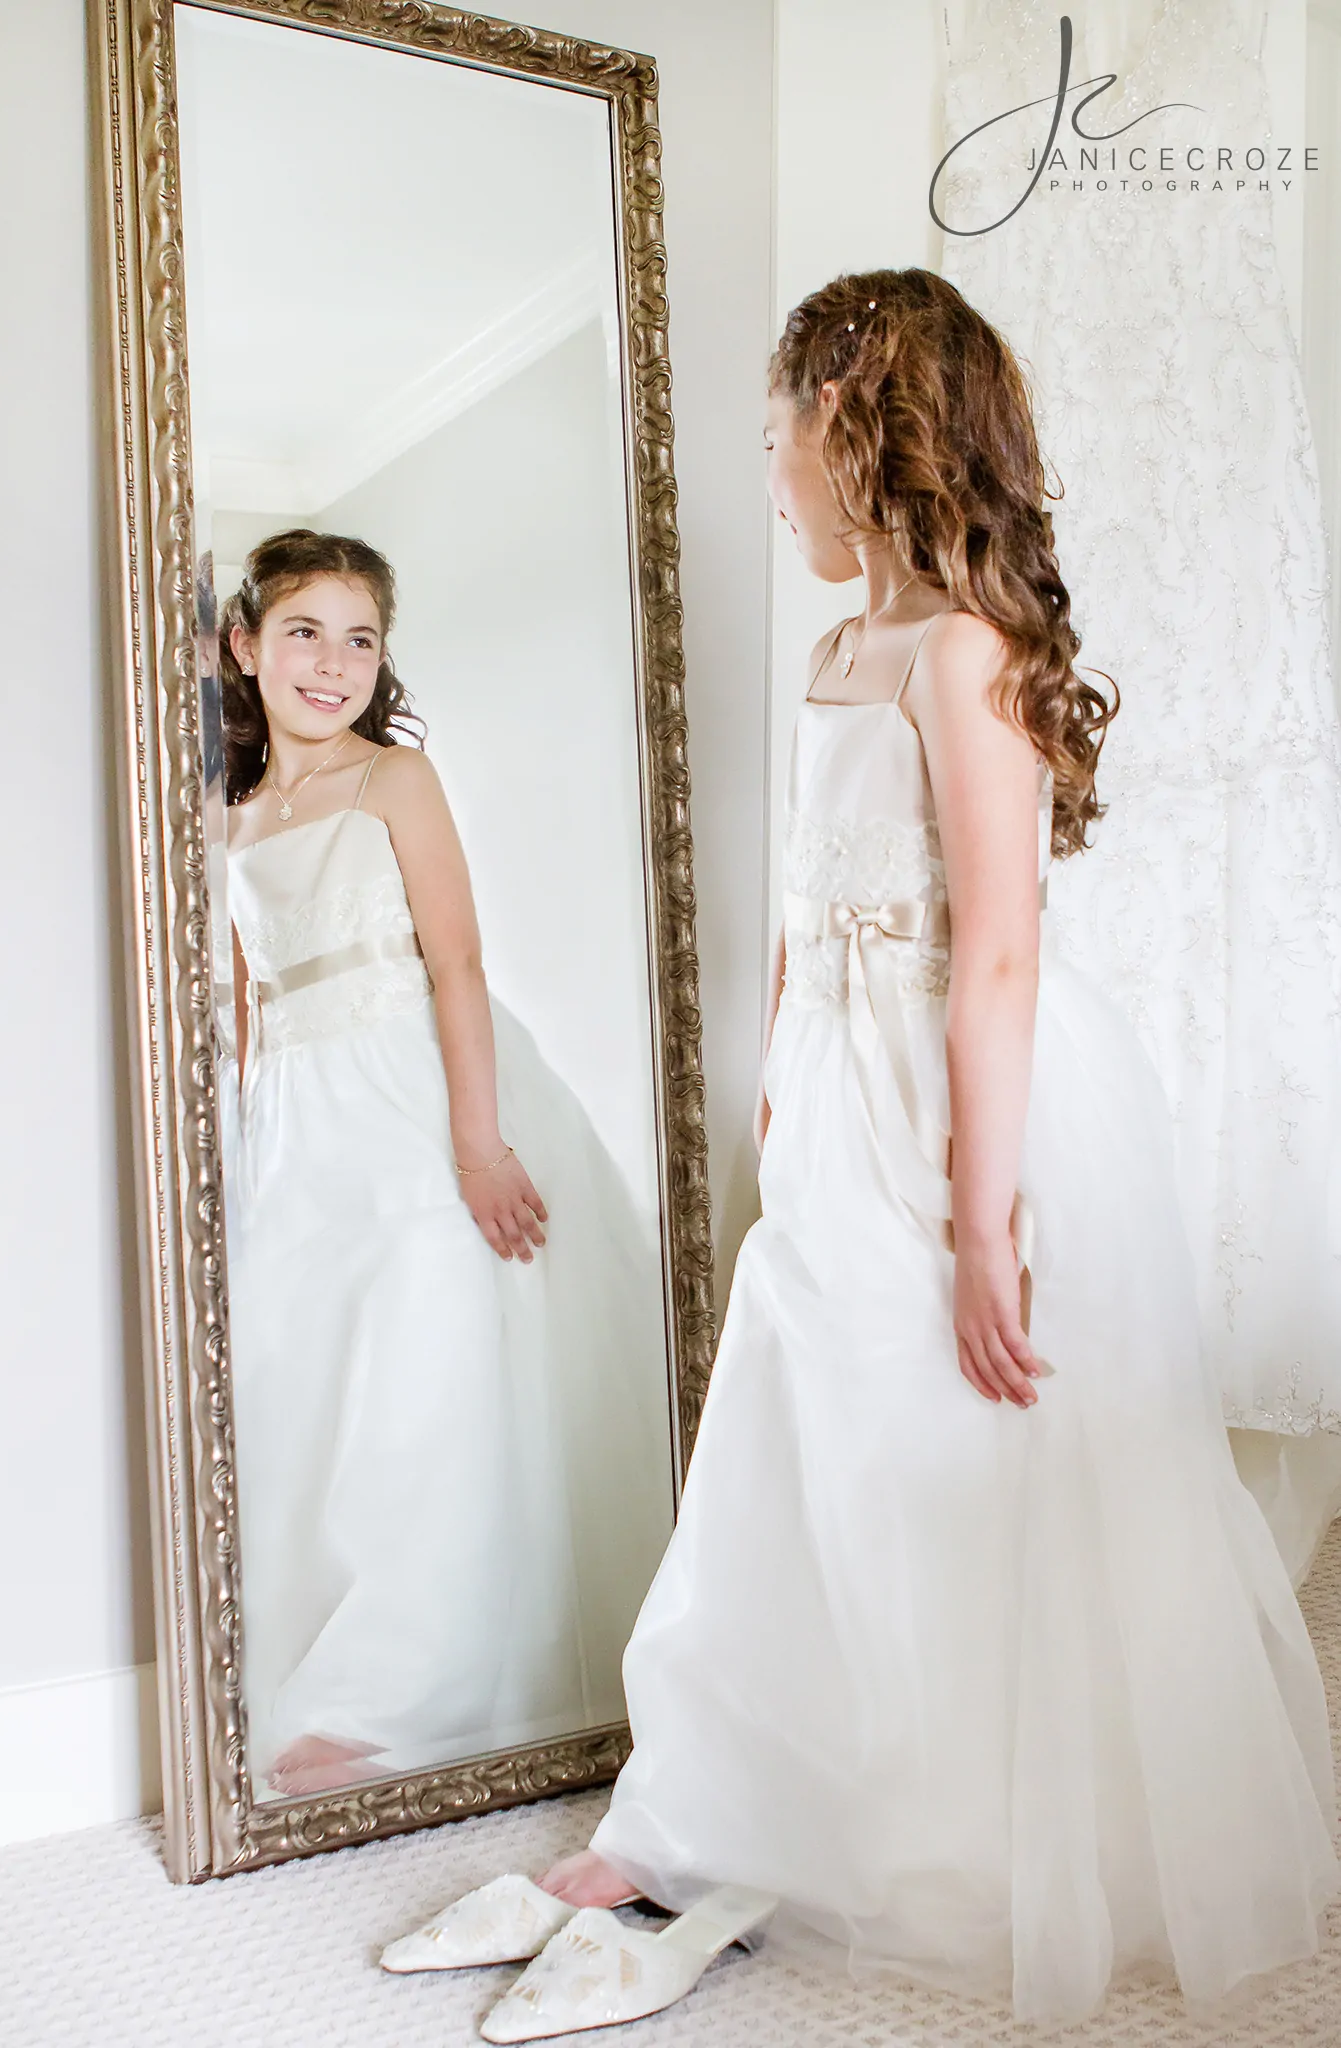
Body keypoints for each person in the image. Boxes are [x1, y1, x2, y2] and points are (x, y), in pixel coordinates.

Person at [427, 273, 1339, 2036]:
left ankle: (882, 1829)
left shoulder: (967, 654)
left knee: (952, 1431)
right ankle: (688, 1814)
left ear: (867, 432)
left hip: (962, 1091)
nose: (770, 479)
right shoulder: (842, 650)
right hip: (842, 1089)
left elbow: (997, 941)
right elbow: (807, 894)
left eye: (780, 440)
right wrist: (782, 1065)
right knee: (797, 1423)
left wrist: (985, 1215)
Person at [220, 529, 672, 1798]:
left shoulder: (394, 782)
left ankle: (398, 1686)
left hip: (416, 1089)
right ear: (246, 646)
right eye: (305, 630)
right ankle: (324, 1650)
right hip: (303, 1123)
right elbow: (250, 1002)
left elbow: (456, 961)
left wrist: (476, 1139)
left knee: (429, 1375)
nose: (334, 662)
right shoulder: (233, 819)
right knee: (319, 1381)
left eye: (361, 638)